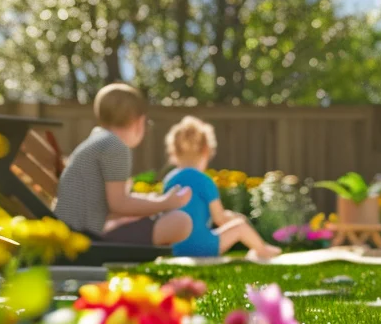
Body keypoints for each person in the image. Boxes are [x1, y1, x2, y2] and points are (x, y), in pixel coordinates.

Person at [54, 83, 194, 247]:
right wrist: (165, 203)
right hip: (85, 238)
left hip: (74, 231)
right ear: (139, 122)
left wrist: (152, 201)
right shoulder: (115, 146)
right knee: (181, 221)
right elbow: (119, 204)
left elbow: (113, 204)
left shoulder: (99, 139)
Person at [162, 116, 281, 260]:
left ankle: (261, 249)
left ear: (174, 152)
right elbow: (219, 218)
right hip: (202, 248)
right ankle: (262, 250)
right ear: (206, 150)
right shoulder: (204, 180)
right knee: (239, 225)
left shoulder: (169, 180)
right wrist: (236, 218)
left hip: (175, 248)